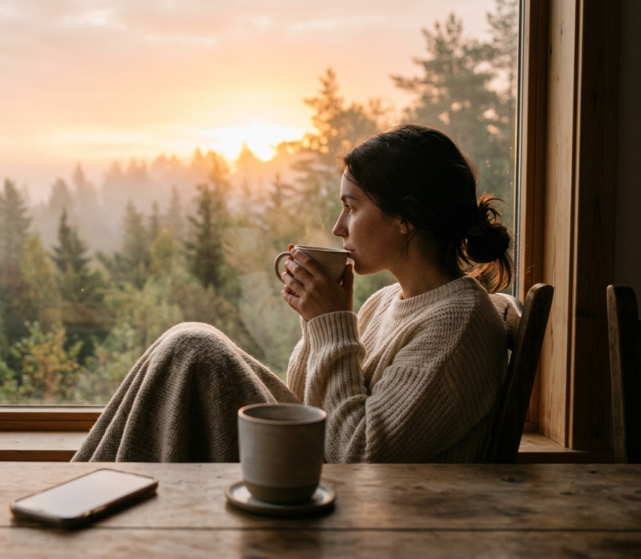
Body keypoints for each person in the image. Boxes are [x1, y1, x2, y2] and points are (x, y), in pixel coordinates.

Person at [73, 124, 515, 464]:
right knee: (187, 346)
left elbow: (358, 455)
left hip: (358, 507)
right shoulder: (384, 303)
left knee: (194, 347)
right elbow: (309, 402)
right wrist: (315, 320)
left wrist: (332, 326)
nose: (337, 228)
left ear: (407, 216)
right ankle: (81, 488)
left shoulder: (458, 322)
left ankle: (78, 494)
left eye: (352, 207)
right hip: (318, 470)